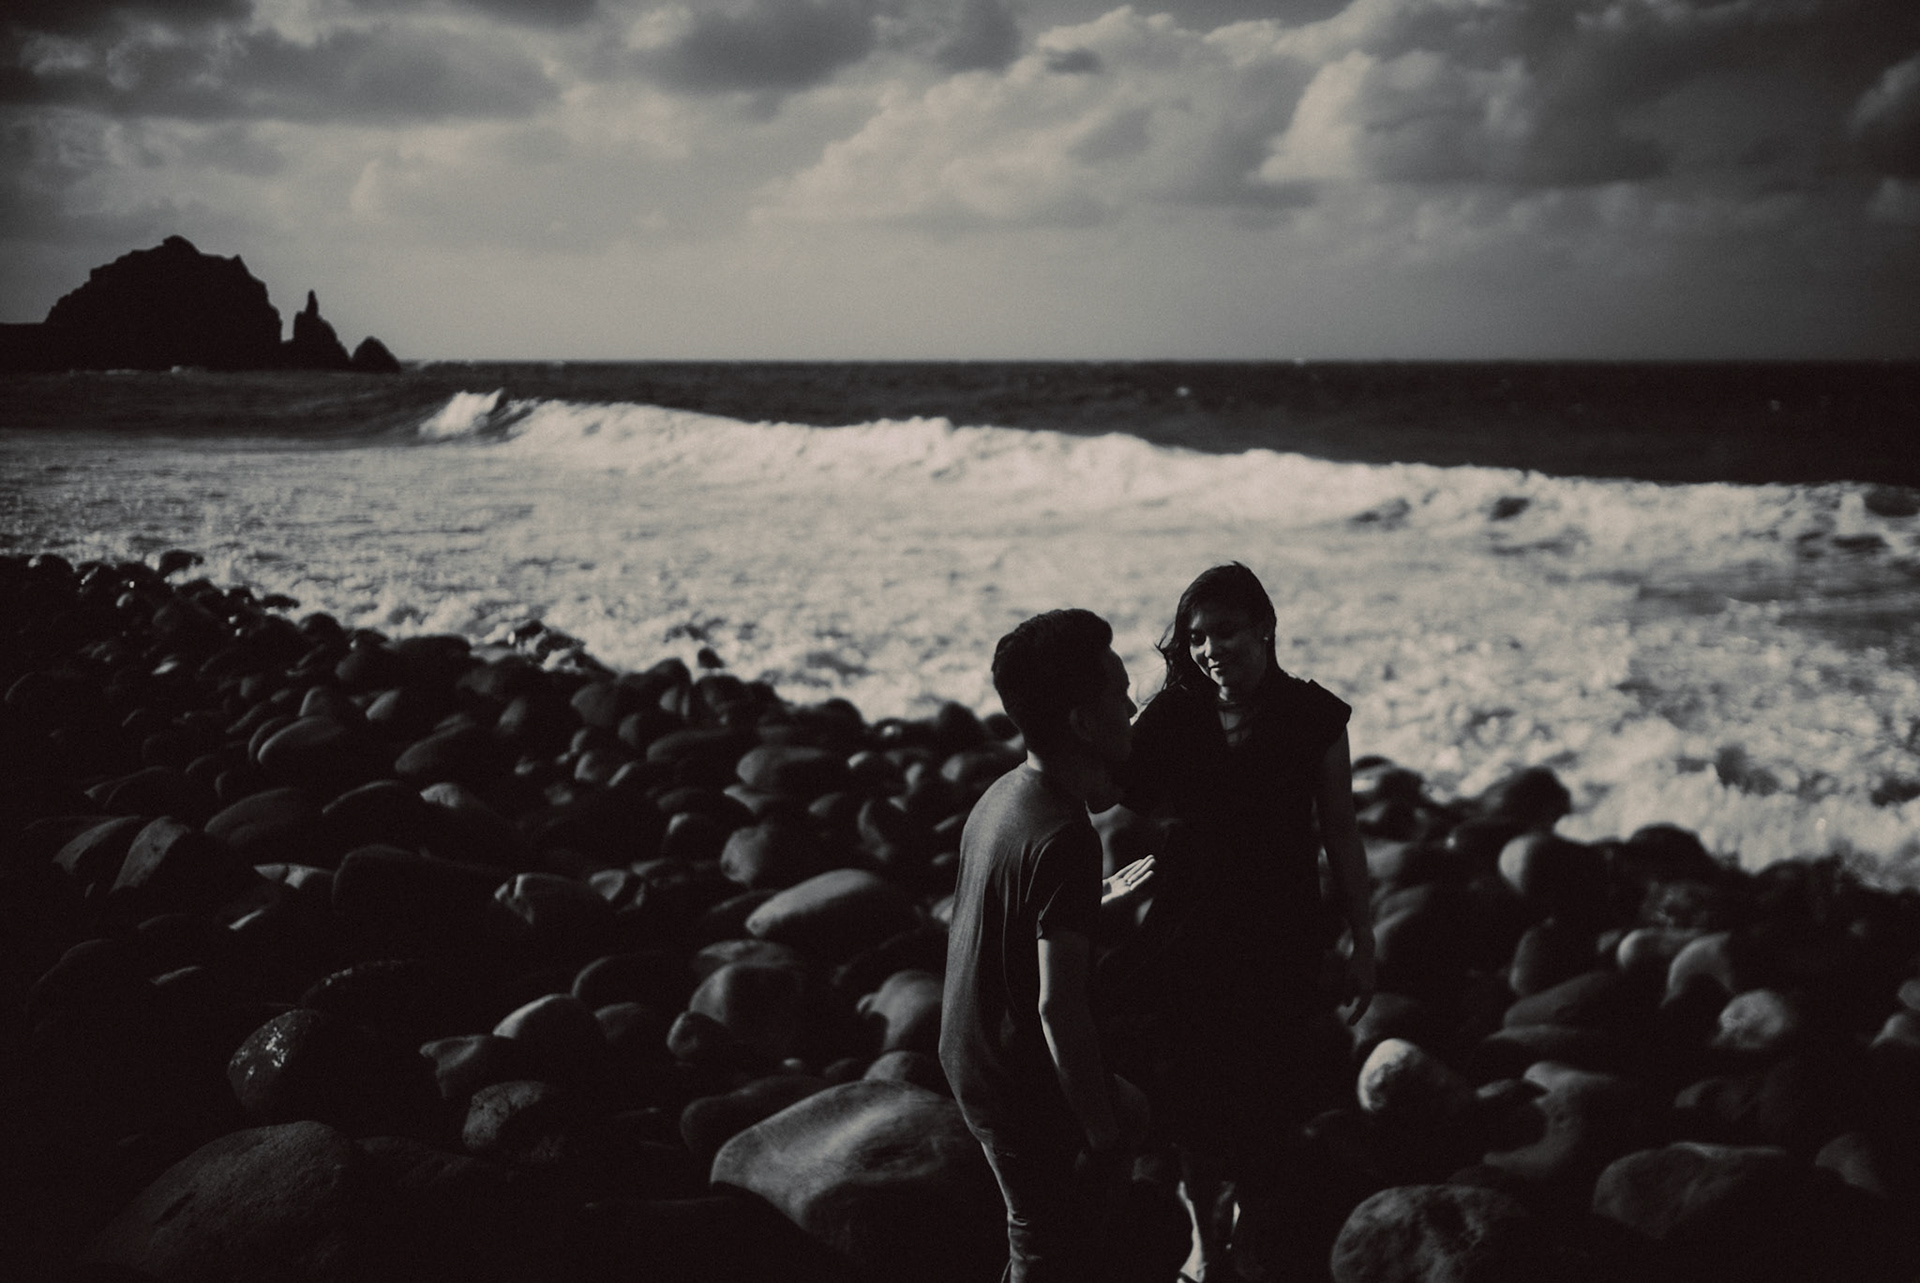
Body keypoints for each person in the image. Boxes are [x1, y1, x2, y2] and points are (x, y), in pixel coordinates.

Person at [1104, 562, 1375, 1282]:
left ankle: (1250, 1223)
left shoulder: (1316, 717)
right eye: (1196, 636)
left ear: (1265, 628)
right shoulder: (1177, 710)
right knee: (1188, 1082)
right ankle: (1204, 1229)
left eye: (1226, 631)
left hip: (1278, 928)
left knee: (1266, 1086)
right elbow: (1112, 783)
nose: (1210, 648)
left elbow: (1341, 831)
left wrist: (1364, 936)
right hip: (1188, 924)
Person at [940, 608, 1156, 1283]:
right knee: (1047, 1241)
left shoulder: (1006, 793)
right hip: (1011, 1078)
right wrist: (1100, 1132)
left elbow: (1005, 918)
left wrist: (1094, 903)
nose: (1132, 705)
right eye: (1119, 692)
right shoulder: (1067, 836)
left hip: (966, 1048)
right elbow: (1057, 1009)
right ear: (1082, 723)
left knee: (1035, 1222)